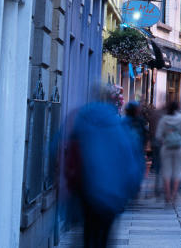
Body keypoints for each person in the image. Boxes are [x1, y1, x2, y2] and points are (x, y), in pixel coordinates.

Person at [65, 90, 144, 248]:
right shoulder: (120, 127)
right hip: (112, 193)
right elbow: (131, 160)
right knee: (105, 235)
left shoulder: (80, 120)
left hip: (86, 190)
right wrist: (132, 188)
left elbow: (58, 147)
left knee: (89, 229)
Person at [154, 100, 181, 206]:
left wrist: (165, 140)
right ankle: (174, 194)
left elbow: (158, 136)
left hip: (166, 148)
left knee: (166, 171)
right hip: (179, 148)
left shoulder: (164, 119)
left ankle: (167, 195)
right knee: (178, 171)